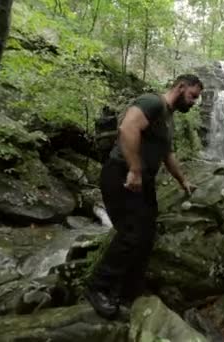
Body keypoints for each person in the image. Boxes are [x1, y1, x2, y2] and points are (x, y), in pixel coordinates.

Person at [85, 74, 203, 319]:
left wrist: (184, 182)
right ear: (180, 87)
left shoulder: (168, 118)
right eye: (193, 96)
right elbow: (128, 127)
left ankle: (128, 289)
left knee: (147, 233)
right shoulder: (152, 102)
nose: (194, 102)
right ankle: (98, 287)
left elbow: (167, 155)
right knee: (131, 232)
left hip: (143, 181)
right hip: (121, 174)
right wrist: (134, 169)